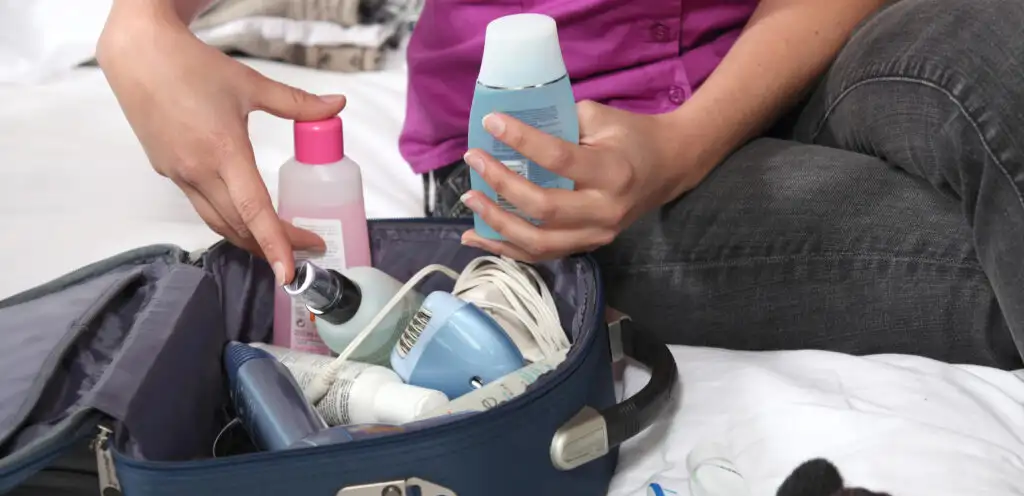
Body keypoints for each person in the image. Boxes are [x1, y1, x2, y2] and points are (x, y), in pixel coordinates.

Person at [96, 0, 1024, 370]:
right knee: (973, 256)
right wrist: (139, 30)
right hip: (546, 159)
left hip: (775, 62)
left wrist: (690, 140)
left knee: (996, 46)